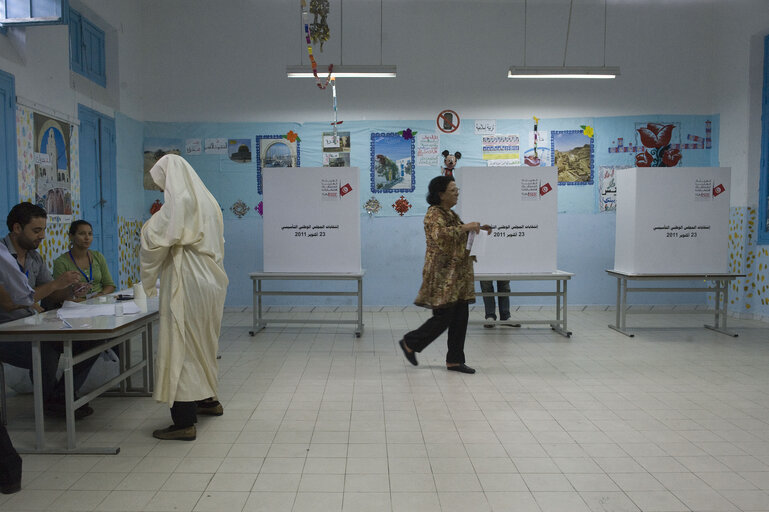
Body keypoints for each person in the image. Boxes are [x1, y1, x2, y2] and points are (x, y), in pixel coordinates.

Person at [140, 154, 228, 441]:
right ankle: (208, 400)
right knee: (203, 340)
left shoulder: (179, 203)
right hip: (211, 281)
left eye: (161, 182)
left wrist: (147, 225)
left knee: (181, 344)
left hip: (187, 280)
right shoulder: (210, 202)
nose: (161, 189)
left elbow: (155, 239)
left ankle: (184, 422)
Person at [0, 203, 96, 418]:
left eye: (43, 230)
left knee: (93, 339)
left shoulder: (34, 257)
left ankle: (60, 397)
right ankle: (52, 402)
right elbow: (8, 303)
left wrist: (69, 290)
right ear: (17, 228)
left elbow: (50, 294)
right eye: (36, 230)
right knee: (45, 349)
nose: (42, 236)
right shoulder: (2, 258)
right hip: (7, 332)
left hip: (32, 325)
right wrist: (55, 285)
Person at [398, 176, 491, 374]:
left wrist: (478, 230)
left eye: (457, 189)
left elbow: (458, 233)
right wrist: (466, 227)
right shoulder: (434, 213)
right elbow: (440, 234)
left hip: (457, 275)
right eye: (452, 190)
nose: (457, 193)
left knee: (460, 317)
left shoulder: (450, 213)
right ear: (440, 194)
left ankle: (455, 360)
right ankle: (410, 342)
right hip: (443, 276)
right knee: (444, 316)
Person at [52, 220, 116, 300]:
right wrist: (84, 301)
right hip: (76, 305)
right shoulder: (61, 262)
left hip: (99, 302)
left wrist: (100, 295)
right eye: (82, 234)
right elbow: (57, 295)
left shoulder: (98, 256)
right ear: (71, 236)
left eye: (90, 234)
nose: (87, 238)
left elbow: (110, 285)